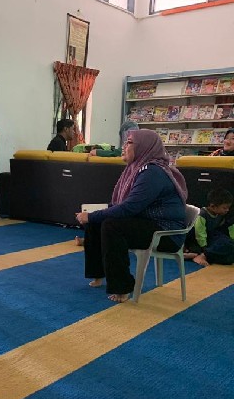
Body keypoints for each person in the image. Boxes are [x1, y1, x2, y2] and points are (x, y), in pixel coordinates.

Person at [75, 129, 188, 303]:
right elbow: (123, 205)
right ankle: (98, 274)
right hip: (147, 223)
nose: (124, 147)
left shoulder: (152, 172)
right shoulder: (137, 168)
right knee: (97, 221)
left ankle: (122, 287)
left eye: (129, 143)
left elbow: (129, 208)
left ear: (144, 147)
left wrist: (92, 216)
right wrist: (93, 215)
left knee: (111, 226)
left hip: (166, 233)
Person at [184, 188, 234, 266]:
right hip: (198, 240)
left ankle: (195, 255)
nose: (227, 210)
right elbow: (200, 233)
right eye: (224, 208)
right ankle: (201, 255)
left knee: (229, 251)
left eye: (228, 208)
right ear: (213, 206)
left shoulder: (220, 215)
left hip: (210, 237)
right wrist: (204, 248)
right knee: (224, 244)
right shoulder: (202, 214)